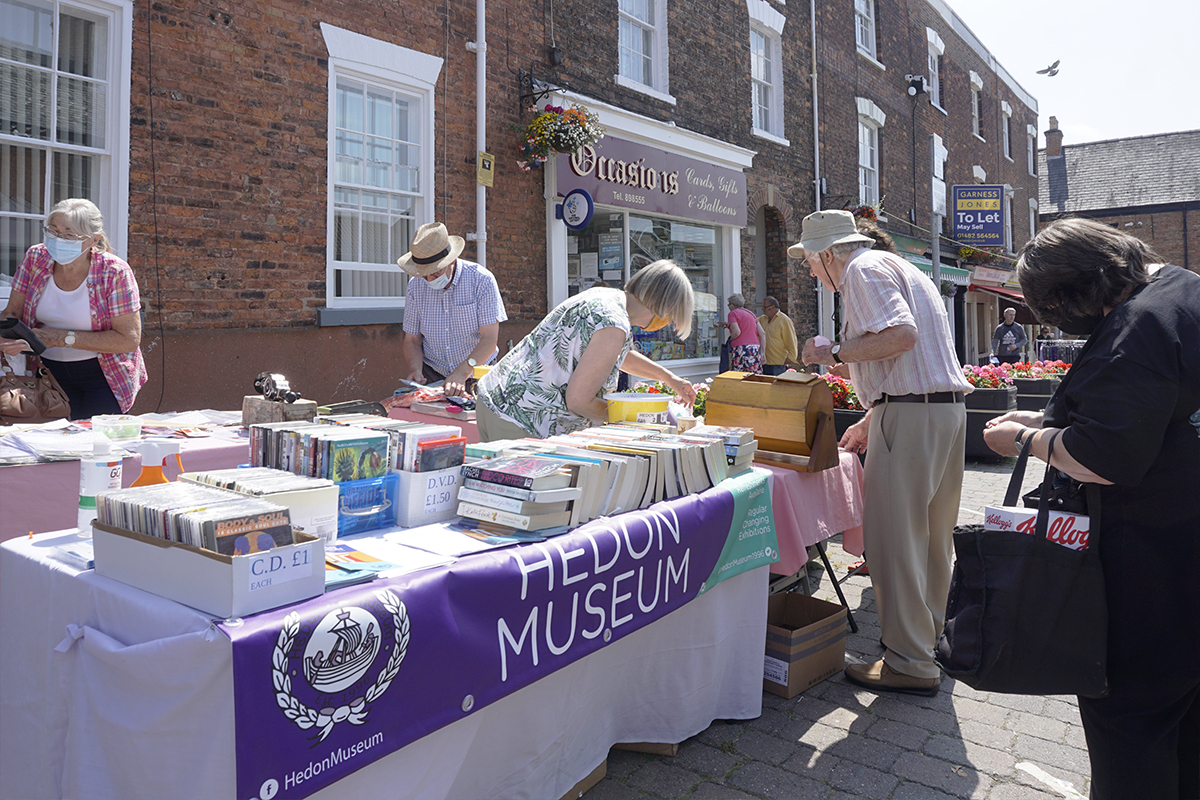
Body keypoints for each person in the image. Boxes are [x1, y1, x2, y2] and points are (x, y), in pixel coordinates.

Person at [982, 218, 1200, 799]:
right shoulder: (1183, 287)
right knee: (1183, 719)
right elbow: (1151, 409)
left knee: (1130, 724)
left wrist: (1023, 442)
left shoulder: (1136, 326)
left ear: (1084, 289)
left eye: (1057, 309)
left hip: (1147, 564)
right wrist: (1046, 419)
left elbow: (1106, 456)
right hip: (1185, 544)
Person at [795, 209, 973, 697]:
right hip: (944, 413)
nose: (811, 272)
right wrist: (876, 416)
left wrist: (830, 354)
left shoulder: (861, 270)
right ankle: (927, 642)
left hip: (913, 418)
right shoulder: (903, 268)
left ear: (829, 254)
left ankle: (910, 663)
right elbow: (919, 357)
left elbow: (900, 336)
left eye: (810, 261)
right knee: (932, 539)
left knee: (895, 542)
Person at [474, 259, 697, 441]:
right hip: (523, 420)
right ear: (664, 307)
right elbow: (579, 401)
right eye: (673, 317)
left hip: (496, 401)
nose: (668, 323)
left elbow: (611, 356)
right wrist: (634, 420)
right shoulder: (614, 325)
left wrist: (668, 378)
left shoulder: (606, 299)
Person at [1, 199, 146, 418]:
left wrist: (60, 338)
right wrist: (6, 339)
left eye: (69, 235)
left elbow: (128, 339)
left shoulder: (114, 272)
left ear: (93, 239)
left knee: (96, 445)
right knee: (53, 445)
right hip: (45, 372)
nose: (58, 240)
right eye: (53, 231)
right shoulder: (35, 258)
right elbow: (12, 313)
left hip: (103, 375)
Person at [394, 222, 506, 398]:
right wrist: (415, 369)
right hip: (432, 375)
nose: (429, 279)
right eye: (424, 274)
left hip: (477, 374)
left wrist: (462, 373)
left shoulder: (481, 280)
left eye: (435, 273)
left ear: (451, 260)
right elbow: (412, 340)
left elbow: (489, 340)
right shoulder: (415, 287)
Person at [724, 293, 765, 373]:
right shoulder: (751, 314)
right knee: (753, 376)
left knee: (739, 376)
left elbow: (736, 332)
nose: (728, 307)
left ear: (732, 305)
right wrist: (763, 352)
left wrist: (730, 340)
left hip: (741, 348)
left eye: (728, 304)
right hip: (755, 348)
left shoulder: (732, 314)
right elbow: (762, 333)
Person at [757, 296, 798, 375]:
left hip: (778, 362)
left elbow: (790, 339)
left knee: (776, 386)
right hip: (764, 362)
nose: (762, 309)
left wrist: (791, 357)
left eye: (764, 307)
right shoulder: (762, 319)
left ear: (772, 307)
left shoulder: (784, 320)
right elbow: (750, 322)